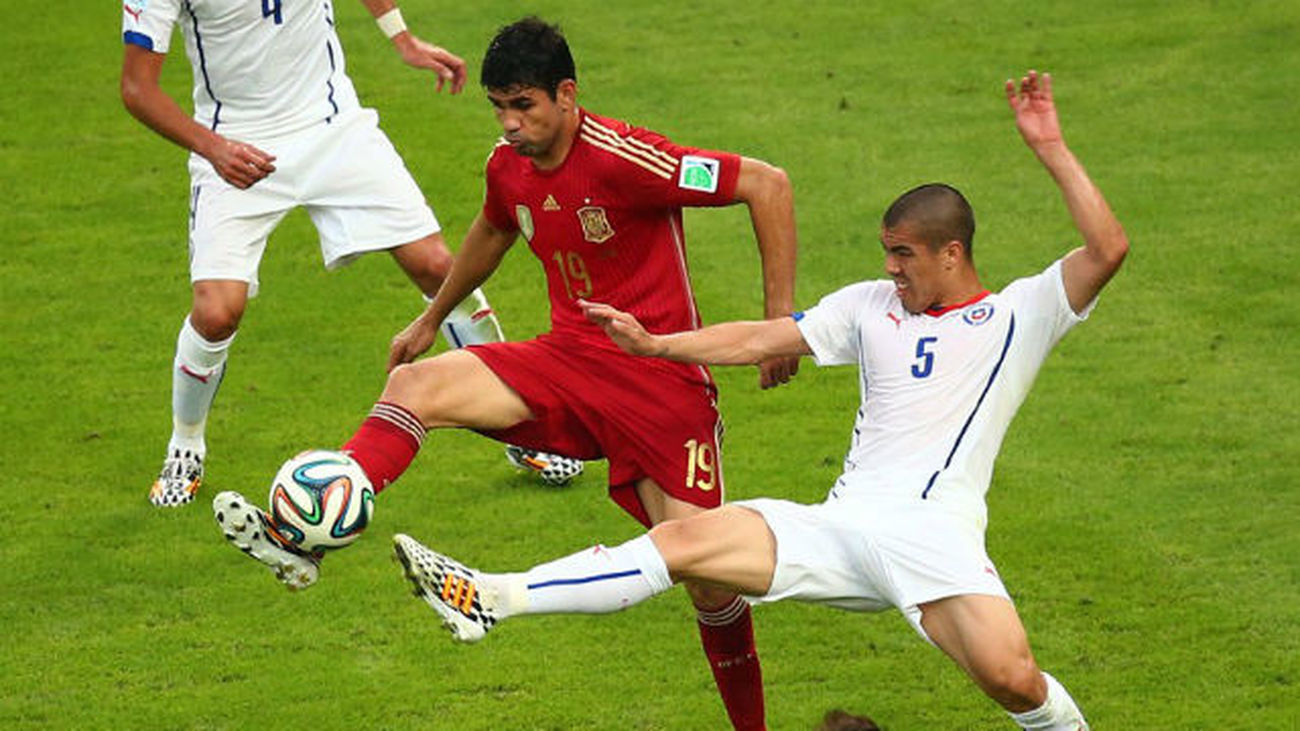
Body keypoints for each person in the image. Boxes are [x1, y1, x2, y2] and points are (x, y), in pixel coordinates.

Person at [389, 70, 1125, 729]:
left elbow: (1106, 250)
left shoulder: (1016, 317)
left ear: (951, 254)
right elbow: (760, 337)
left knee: (1012, 679)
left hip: (934, 537)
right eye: (886, 251)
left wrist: (1051, 146)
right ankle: (493, 596)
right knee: (686, 544)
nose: (889, 267)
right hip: (842, 526)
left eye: (903, 254)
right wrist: (657, 345)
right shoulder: (870, 305)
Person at [211, 17, 799, 731]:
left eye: (524, 106)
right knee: (416, 385)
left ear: (567, 94)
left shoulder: (625, 157)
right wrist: (433, 317)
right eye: (500, 108)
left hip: (660, 386)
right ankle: (301, 537)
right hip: (568, 362)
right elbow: (494, 227)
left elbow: (767, 185)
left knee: (709, 579)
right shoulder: (507, 164)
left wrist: (777, 328)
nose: (511, 124)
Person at [120, 0, 579, 507]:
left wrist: (402, 39)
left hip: (334, 129)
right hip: (234, 144)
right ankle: (185, 444)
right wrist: (214, 149)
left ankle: (522, 427)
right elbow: (138, 88)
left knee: (437, 267)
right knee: (215, 313)